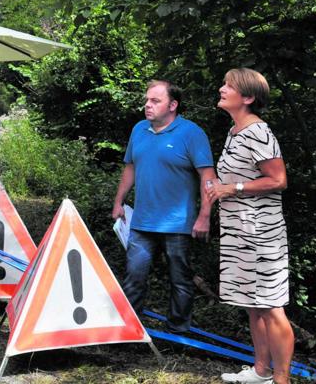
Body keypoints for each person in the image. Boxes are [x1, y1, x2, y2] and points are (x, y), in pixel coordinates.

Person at [205, 68, 294, 384]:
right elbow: (236, 176)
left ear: (248, 97)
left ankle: (281, 380)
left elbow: (279, 180)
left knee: (270, 306)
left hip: (261, 233)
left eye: (228, 85)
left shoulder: (258, 132)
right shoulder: (234, 132)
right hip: (239, 232)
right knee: (252, 305)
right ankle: (261, 371)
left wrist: (234, 188)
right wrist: (219, 186)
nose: (222, 88)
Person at [113, 80, 215, 334]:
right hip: (142, 221)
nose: (147, 105)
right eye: (147, 100)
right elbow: (130, 168)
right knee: (134, 277)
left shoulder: (191, 133)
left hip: (178, 223)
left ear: (173, 105)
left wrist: (204, 215)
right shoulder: (139, 129)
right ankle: (129, 329)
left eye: (155, 101)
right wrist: (118, 201)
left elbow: (208, 177)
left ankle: (178, 331)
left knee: (180, 280)